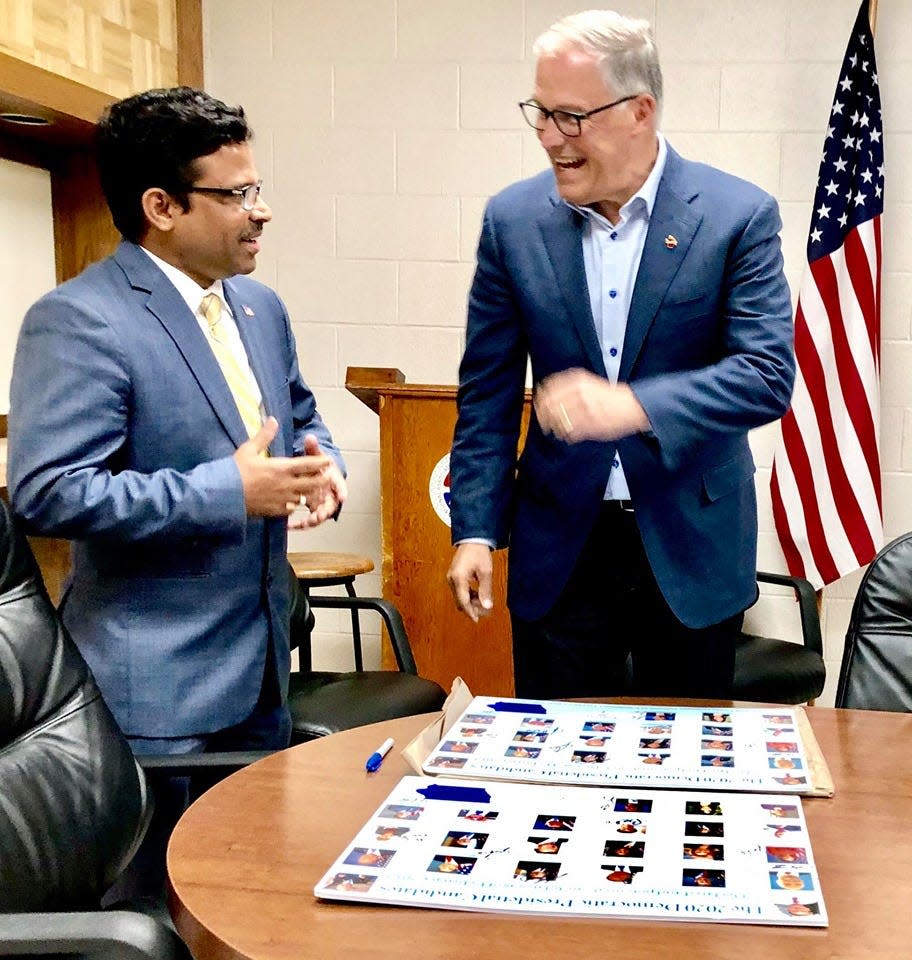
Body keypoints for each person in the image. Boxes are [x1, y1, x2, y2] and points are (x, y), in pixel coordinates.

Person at [7, 86, 346, 904]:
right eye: (236, 195)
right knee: (159, 916)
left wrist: (320, 467)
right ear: (160, 205)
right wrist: (226, 491)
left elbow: (299, 415)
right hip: (156, 695)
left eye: (256, 188)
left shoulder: (259, 307)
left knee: (246, 898)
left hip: (260, 671)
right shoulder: (79, 319)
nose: (261, 212)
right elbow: (48, 493)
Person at [445, 9, 794, 699]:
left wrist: (631, 405)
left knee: (690, 769)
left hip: (690, 544)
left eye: (570, 117)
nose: (550, 138)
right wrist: (476, 530)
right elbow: (485, 395)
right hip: (560, 551)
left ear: (640, 110)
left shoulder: (736, 216)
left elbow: (765, 376)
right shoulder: (511, 222)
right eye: (540, 114)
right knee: (554, 777)